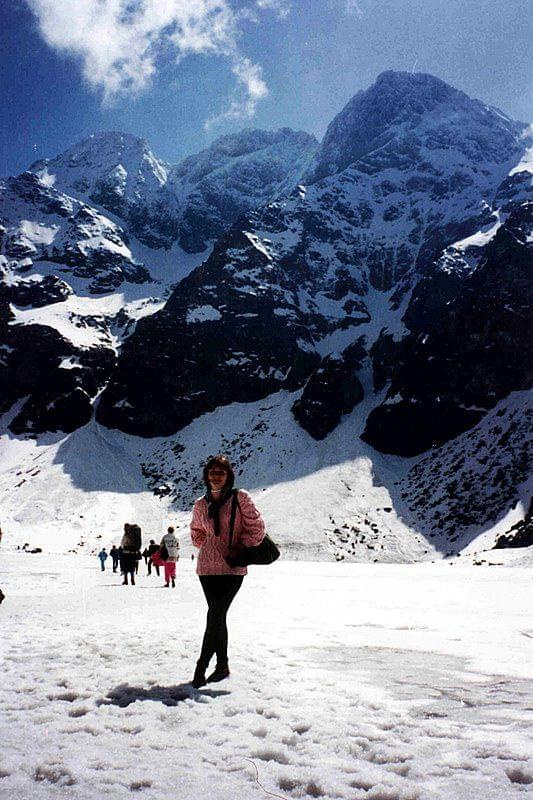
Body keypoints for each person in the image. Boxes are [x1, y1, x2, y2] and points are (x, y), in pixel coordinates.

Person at [190, 454, 265, 688]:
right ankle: (222, 665)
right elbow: (196, 533)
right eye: (212, 472)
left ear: (228, 475)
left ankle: (200, 667)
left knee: (215, 615)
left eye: (221, 472)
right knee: (217, 617)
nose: (216, 476)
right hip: (206, 568)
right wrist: (211, 544)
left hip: (232, 567)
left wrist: (238, 546)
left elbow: (257, 528)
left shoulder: (240, 498)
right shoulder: (201, 504)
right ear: (206, 476)